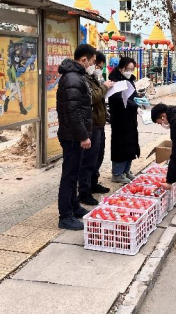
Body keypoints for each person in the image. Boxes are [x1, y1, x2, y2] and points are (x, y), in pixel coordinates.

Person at [56, 44, 97, 231]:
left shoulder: (77, 76)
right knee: (69, 176)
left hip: (74, 135)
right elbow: (73, 112)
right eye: (93, 62)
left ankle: (74, 206)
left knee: (74, 173)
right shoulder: (73, 78)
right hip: (72, 136)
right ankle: (65, 216)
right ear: (84, 60)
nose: (93, 65)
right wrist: (83, 136)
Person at [78, 52, 114, 206]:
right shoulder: (83, 79)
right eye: (96, 64)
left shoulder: (93, 77)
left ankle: (93, 183)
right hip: (91, 124)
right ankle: (84, 191)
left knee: (98, 156)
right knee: (88, 160)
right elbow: (92, 97)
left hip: (99, 123)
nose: (97, 67)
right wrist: (105, 87)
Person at [109, 57, 141, 184]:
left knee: (131, 144)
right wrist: (134, 104)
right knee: (120, 145)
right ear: (121, 68)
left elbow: (133, 95)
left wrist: (139, 100)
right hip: (120, 118)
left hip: (130, 117)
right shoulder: (114, 80)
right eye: (128, 69)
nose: (130, 72)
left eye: (132, 69)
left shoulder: (130, 79)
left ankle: (126, 170)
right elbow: (118, 99)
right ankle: (117, 173)